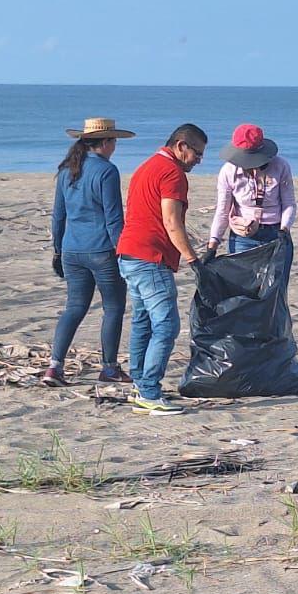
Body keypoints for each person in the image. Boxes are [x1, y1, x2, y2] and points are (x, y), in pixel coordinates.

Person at [115, 123, 209, 415]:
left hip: (130, 253)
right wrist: (192, 258)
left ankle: (141, 384)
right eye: (197, 153)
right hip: (149, 257)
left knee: (143, 321)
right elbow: (172, 221)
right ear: (181, 146)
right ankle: (149, 391)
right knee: (166, 325)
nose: (198, 160)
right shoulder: (172, 173)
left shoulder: (147, 166)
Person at [45, 118, 135, 387]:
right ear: (106, 142)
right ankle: (109, 368)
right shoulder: (106, 171)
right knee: (114, 307)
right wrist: (123, 251)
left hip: (72, 249)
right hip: (101, 250)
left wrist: (58, 251)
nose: (115, 147)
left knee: (74, 307)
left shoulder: (67, 170)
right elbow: (113, 218)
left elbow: (58, 216)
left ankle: (54, 366)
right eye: (114, 142)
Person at [207, 124, 296, 255]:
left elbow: (289, 203)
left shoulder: (280, 166)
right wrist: (213, 244)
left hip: (275, 232)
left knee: (276, 275)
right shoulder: (228, 171)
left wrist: (284, 229)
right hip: (243, 235)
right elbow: (223, 210)